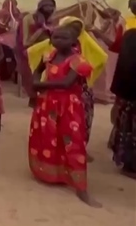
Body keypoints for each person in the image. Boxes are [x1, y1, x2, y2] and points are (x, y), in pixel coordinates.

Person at [29, 26, 100, 207]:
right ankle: (50, 174)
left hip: (69, 105)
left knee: (72, 142)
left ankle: (81, 188)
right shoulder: (48, 56)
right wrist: (36, 80)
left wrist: (39, 85)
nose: (59, 40)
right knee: (48, 137)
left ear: (74, 41)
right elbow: (37, 70)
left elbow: (67, 83)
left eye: (64, 37)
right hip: (47, 104)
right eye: (56, 37)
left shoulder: (78, 61)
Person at [17, 0, 57, 106]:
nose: (49, 8)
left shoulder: (52, 20)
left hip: (49, 51)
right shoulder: (29, 18)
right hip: (32, 50)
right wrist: (42, 30)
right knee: (32, 75)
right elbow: (25, 40)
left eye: (51, 6)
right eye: (46, 6)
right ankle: (34, 98)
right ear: (40, 7)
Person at [109, 24, 136, 179]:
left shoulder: (130, 35)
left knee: (126, 126)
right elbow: (125, 67)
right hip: (131, 93)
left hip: (127, 94)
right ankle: (130, 166)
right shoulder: (131, 36)